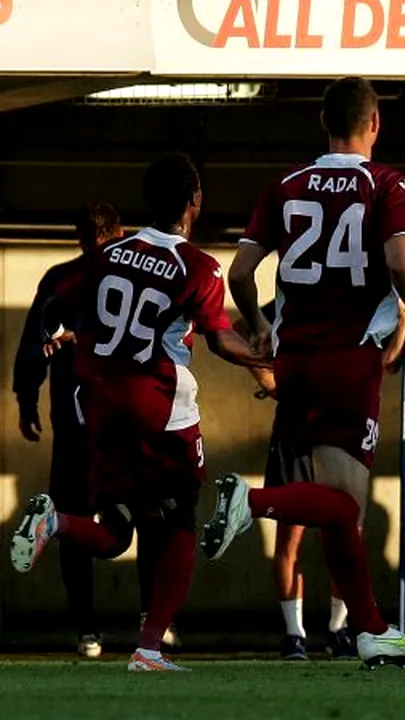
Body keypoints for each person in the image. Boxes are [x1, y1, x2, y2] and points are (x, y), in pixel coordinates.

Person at [204, 76, 405, 668]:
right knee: (345, 506)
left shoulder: (285, 185)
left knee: (337, 508)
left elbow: (239, 273)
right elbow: (397, 261)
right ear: (375, 124)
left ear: (323, 123)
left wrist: (259, 325)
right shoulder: (388, 182)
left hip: (295, 360)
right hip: (350, 357)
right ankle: (252, 500)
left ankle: (369, 631)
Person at [9, 154, 269, 672]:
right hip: (159, 408)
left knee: (120, 527)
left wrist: (60, 339)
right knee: (178, 521)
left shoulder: (108, 255)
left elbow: (54, 308)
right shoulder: (198, 266)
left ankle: (55, 522)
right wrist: (266, 361)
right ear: (196, 200)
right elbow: (219, 340)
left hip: (100, 406)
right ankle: (150, 647)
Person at [239, 300, 405, 660]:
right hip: (298, 424)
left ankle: (340, 629)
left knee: (348, 530)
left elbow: (386, 364)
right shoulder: (305, 288)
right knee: (291, 535)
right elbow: (243, 326)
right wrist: (269, 377)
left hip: (344, 425)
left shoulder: (371, 299)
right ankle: (294, 635)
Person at [12, 201, 122, 658]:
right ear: (119, 233)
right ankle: (153, 624)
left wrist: (26, 397)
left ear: (79, 237)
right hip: (120, 424)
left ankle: (86, 629)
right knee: (135, 520)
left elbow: (35, 342)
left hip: (77, 424)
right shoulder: (125, 276)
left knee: (77, 523)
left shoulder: (61, 278)